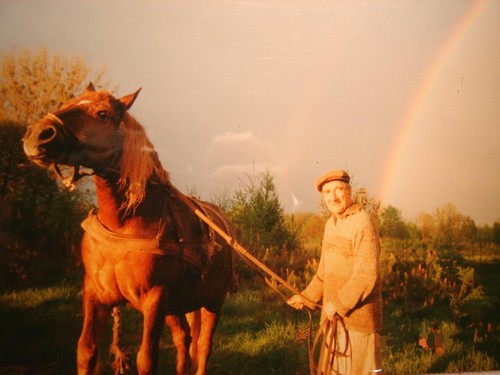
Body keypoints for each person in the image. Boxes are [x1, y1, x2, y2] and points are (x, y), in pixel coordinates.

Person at [287, 169, 382, 374]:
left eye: (338, 189)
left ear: (349, 191)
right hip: (332, 320)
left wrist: (337, 305)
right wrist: (306, 298)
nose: (333, 197)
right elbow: (323, 273)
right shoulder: (331, 224)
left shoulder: (362, 222)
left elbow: (366, 275)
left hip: (358, 324)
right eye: (327, 192)